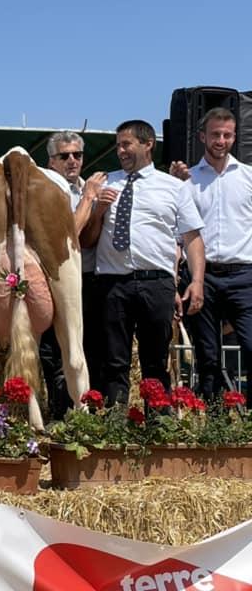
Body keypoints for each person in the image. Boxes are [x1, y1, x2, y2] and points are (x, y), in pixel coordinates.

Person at [81, 120, 205, 405]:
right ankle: (114, 429)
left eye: (127, 144)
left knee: (155, 363)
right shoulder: (103, 183)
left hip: (156, 284)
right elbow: (86, 240)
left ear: (148, 144)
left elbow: (193, 238)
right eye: (118, 145)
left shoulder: (174, 187)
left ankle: (158, 428)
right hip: (112, 283)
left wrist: (197, 281)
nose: (120, 151)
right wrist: (98, 210)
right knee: (113, 362)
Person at [169, 107, 252, 400]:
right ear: (203, 136)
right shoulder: (187, 181)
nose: (221, 140)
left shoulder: (248, 177)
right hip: (203, 277)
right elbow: (179, 234)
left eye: (227, 135)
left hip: (244, 275)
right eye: (216, 134)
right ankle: (213, 427)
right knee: (207, 356)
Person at [38, 132, 107, 418]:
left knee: (90, 350)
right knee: (56, 355)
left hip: (88, 278)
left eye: (77, 155)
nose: (72, 161)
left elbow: (89, 239)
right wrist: (90, 198)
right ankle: (61, 415)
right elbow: (69, 236)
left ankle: (88, 413)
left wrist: (99, 210)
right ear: (51, 161)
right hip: (54, 282)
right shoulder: (43, 188)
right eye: (64, 156)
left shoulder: (83, 187)